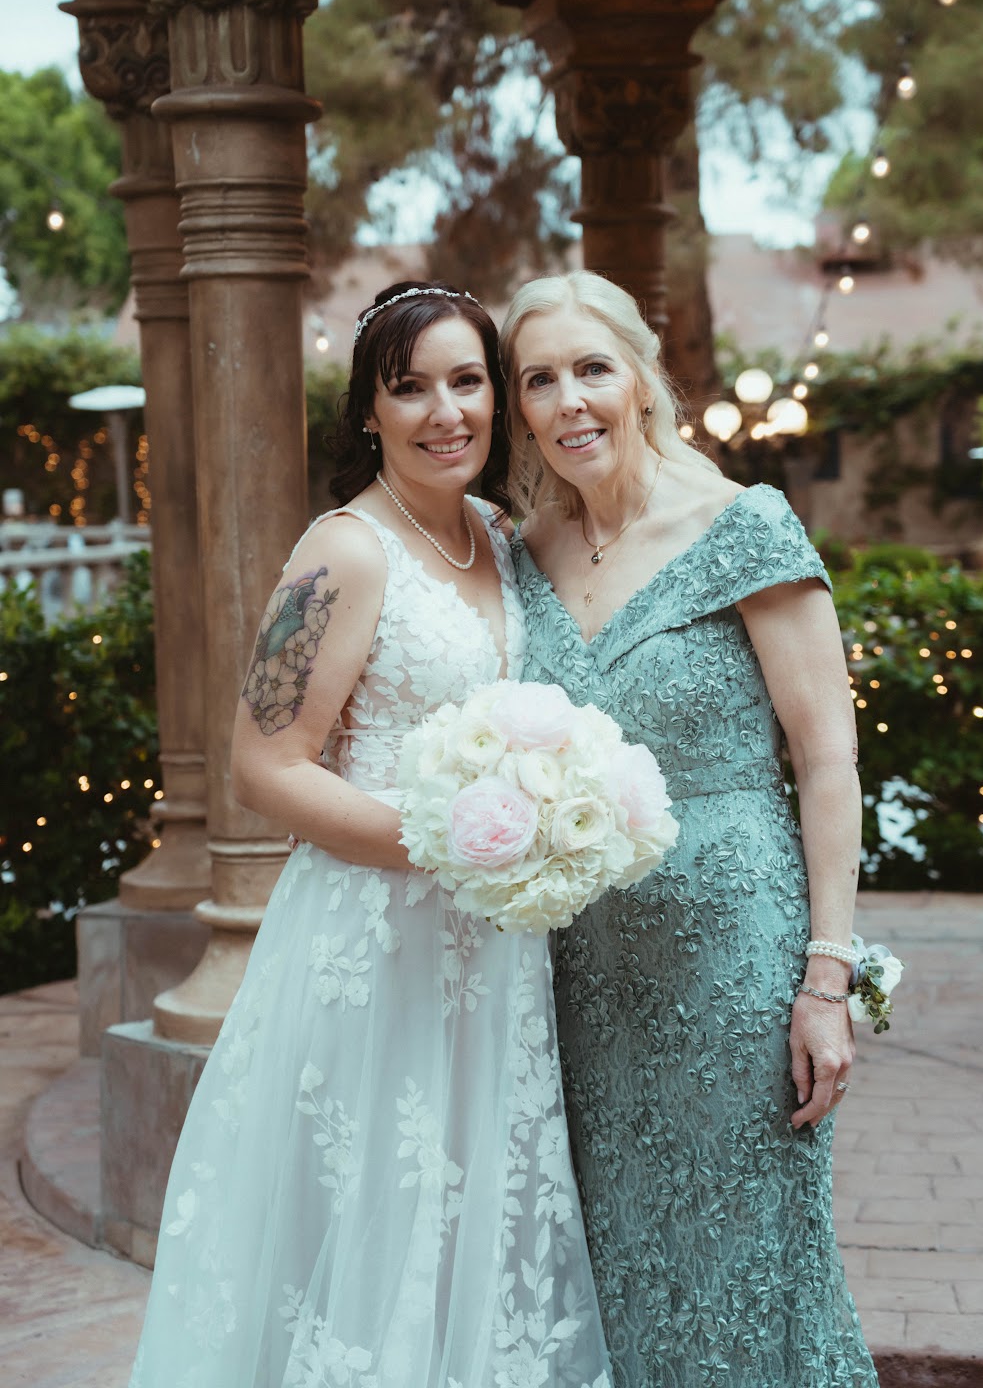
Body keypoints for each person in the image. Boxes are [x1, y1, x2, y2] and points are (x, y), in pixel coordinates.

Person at [128, 283, 612, 1388]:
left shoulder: (498, 537)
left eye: (466, 381)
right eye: (410, 388)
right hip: (376, 935)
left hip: (495, 945)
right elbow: (263, 765)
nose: (445, 412)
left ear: (496, 397)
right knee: (377, 1213)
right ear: (367, 411)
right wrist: (451, 841)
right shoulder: (340, 552)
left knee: (476, 1211)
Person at [499, 271, 879, 1388]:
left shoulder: (739, 525)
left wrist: (826, 980)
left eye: (591, 369)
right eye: (538, 380)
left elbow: (826, 759)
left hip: (730, 972)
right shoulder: (525, 550)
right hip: (576, 975)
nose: (569, 401)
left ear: (641, 378)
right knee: (610, 1262)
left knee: (744, 1261)